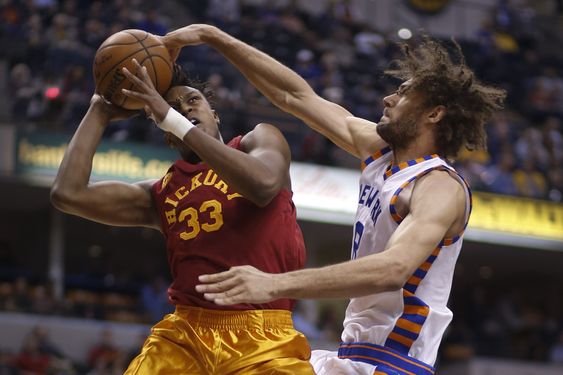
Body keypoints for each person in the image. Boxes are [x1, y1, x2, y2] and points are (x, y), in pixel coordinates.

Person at [166, 25, 507, 374]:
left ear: (434, 114)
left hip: (394, 362)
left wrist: (273, 284)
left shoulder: (438, 186)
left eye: (402, 94)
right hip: (352, 355)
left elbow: (392, 270)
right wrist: (214, 37)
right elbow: (293, 96)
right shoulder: (380, 152)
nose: (387, 99)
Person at [50, 59, 314, 373]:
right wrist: (99, 109)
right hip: (185, 334)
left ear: (214, 115)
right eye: (173, 107)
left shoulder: (256, 140)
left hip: (266, 336)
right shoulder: (159, 193)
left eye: (192, 101)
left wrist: (174, 120)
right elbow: (68, 194)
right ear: (167, 136)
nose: (185, 109)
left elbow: (264, 185)